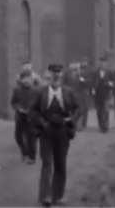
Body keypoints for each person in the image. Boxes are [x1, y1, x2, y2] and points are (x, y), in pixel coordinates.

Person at [31, 64, 80, 207]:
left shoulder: (68, 92)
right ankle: (45, 196)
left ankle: (58, 196)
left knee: (60, 164)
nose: (56, 76)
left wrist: (71, 119)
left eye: (58, 74)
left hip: (63, 132)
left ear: (62, 76)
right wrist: (42, 122)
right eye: (53, 74)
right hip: (46, 132)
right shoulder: (41, 92)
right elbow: (32, 111)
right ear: (49, 75)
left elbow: (78, 108)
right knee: (46, 163)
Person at [11, 69, 39, 164]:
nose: (27, 81)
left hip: (32, 117)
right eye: (25, 79)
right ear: (21, 80)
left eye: (29, 78)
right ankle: (24, 152)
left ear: (32, 79)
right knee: (18, 136)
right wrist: (18, 108)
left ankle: (32, 157)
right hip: (20, 116)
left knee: (32, 137)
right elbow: (13, 102)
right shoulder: (17, 90)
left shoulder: (36, 90)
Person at [92, 56, 114, 133]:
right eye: (101, 62)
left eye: (104, 63)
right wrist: (93, 89)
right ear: (99, 63)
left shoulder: (110, 72)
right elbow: (92, 82)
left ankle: (105, 126)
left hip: (106, 94)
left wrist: (109, 84)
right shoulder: (95, 73)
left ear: (106, 64)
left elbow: (113, 82)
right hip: (97, 95)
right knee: (99, 111)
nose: (102, 64)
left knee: (105, 111)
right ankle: (101, 125)